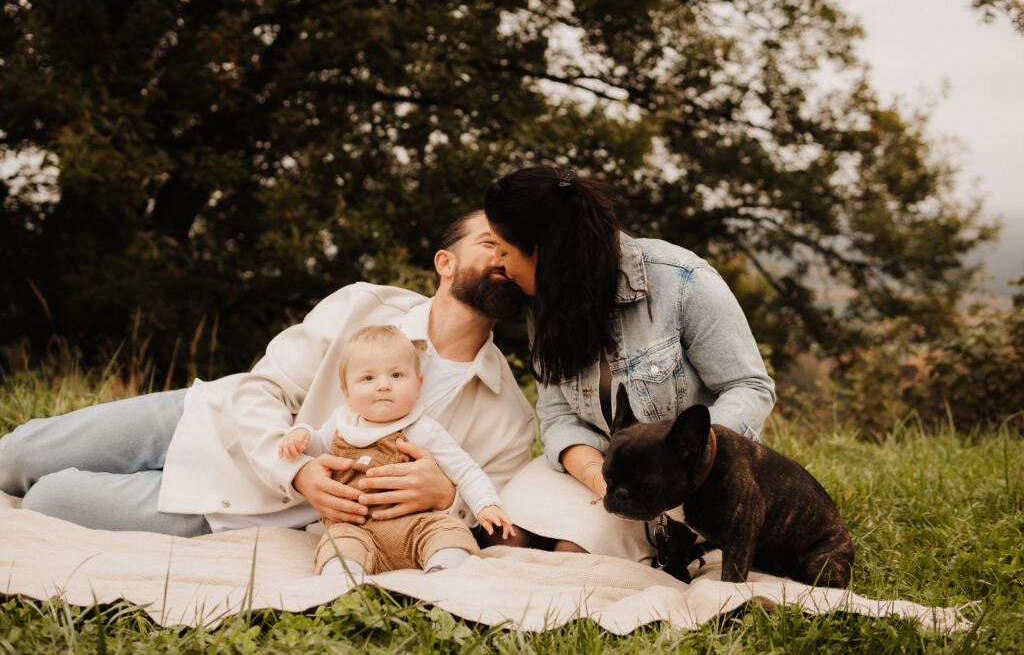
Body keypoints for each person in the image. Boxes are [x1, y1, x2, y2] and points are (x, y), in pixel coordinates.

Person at [0, 212, 536, 543]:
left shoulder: (511, 414)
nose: (504, 256)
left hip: (238, 511)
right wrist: (299, 470)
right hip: (204, 422)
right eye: (490, 242)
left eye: (515, 250)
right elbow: (265, 387)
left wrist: (447, 495)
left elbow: (490, 509)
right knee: (17, 456)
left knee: (51, 499)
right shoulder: (363, 304)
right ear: (445, 262)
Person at [483, 166, 776, 562]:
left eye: (503, 250)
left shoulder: (683, 281)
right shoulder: (545, 304)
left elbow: (749, 387)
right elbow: (556, 417)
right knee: (504, 542)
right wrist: (595, 477)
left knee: (575, 556)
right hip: (599, 473)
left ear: (542, 252)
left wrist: (687, 466)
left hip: (678, 482)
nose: (499, 264)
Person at [277, 324, 513, 578]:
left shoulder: (422, 430)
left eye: (397, 375)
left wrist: (486, 505)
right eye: (368, 378)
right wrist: (301, 435)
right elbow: (318, 445)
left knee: (448, 531)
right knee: (338, 544)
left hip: (414, 526)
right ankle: (342, 582)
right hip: (354, 527)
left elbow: (465, 471)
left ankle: (443, 572)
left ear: (418, 385)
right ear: (346, 392)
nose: (383, 386)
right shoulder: (341, 423)